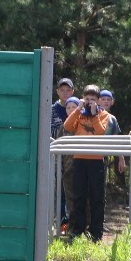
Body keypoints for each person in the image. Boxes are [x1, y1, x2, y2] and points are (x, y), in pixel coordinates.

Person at [62, 85, 110, 241]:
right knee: (79, 196)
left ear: (98, 101)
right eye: (87, 99)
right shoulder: (79, 114)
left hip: (96, 161)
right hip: (79, 159)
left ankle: (96, 232)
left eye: (93, 99)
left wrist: (94, 114)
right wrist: (78, 109)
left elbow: (100, 132)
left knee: (97, 198)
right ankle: (78, 230)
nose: (89, 102)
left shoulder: (104, 114)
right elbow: (67, 126)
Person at [50, 77, 77, 234]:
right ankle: (60, 223)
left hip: (74, 157)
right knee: (58, 190)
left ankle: (73, 224)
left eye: (68, 90)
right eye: (62, 90)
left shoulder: (77, 108)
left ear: (72, 91)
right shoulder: (51, 110)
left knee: (72, 190)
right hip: (55, 155)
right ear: (57, 91)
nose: (65, 93)